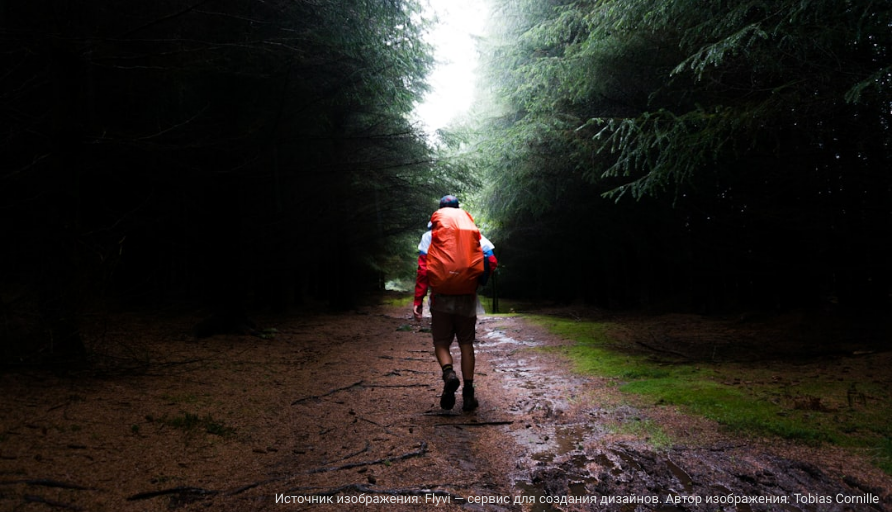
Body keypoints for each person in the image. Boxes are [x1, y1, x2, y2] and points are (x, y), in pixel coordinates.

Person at [413, 195, 498, 411]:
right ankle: (468, 395)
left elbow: (423, 269)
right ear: (459, 211)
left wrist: (418, 300)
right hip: (467, 297)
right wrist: (478, 280)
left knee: (441, 342)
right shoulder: (472, 233)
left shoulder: (430, 235)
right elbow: (491, 260)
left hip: (440, 296)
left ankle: (448, 373)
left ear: (439, 212)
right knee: (466, 343)